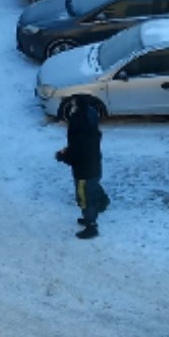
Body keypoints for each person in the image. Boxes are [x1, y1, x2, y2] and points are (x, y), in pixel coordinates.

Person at [55, 95, 110, 239]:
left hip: (83, 172)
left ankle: (91, 225)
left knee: (85, 198)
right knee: (93, 185)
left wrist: (62, 156)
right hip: (95, 164)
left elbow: (75, 155)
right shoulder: (92, 128)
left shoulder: (78, 134)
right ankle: (103, 202)